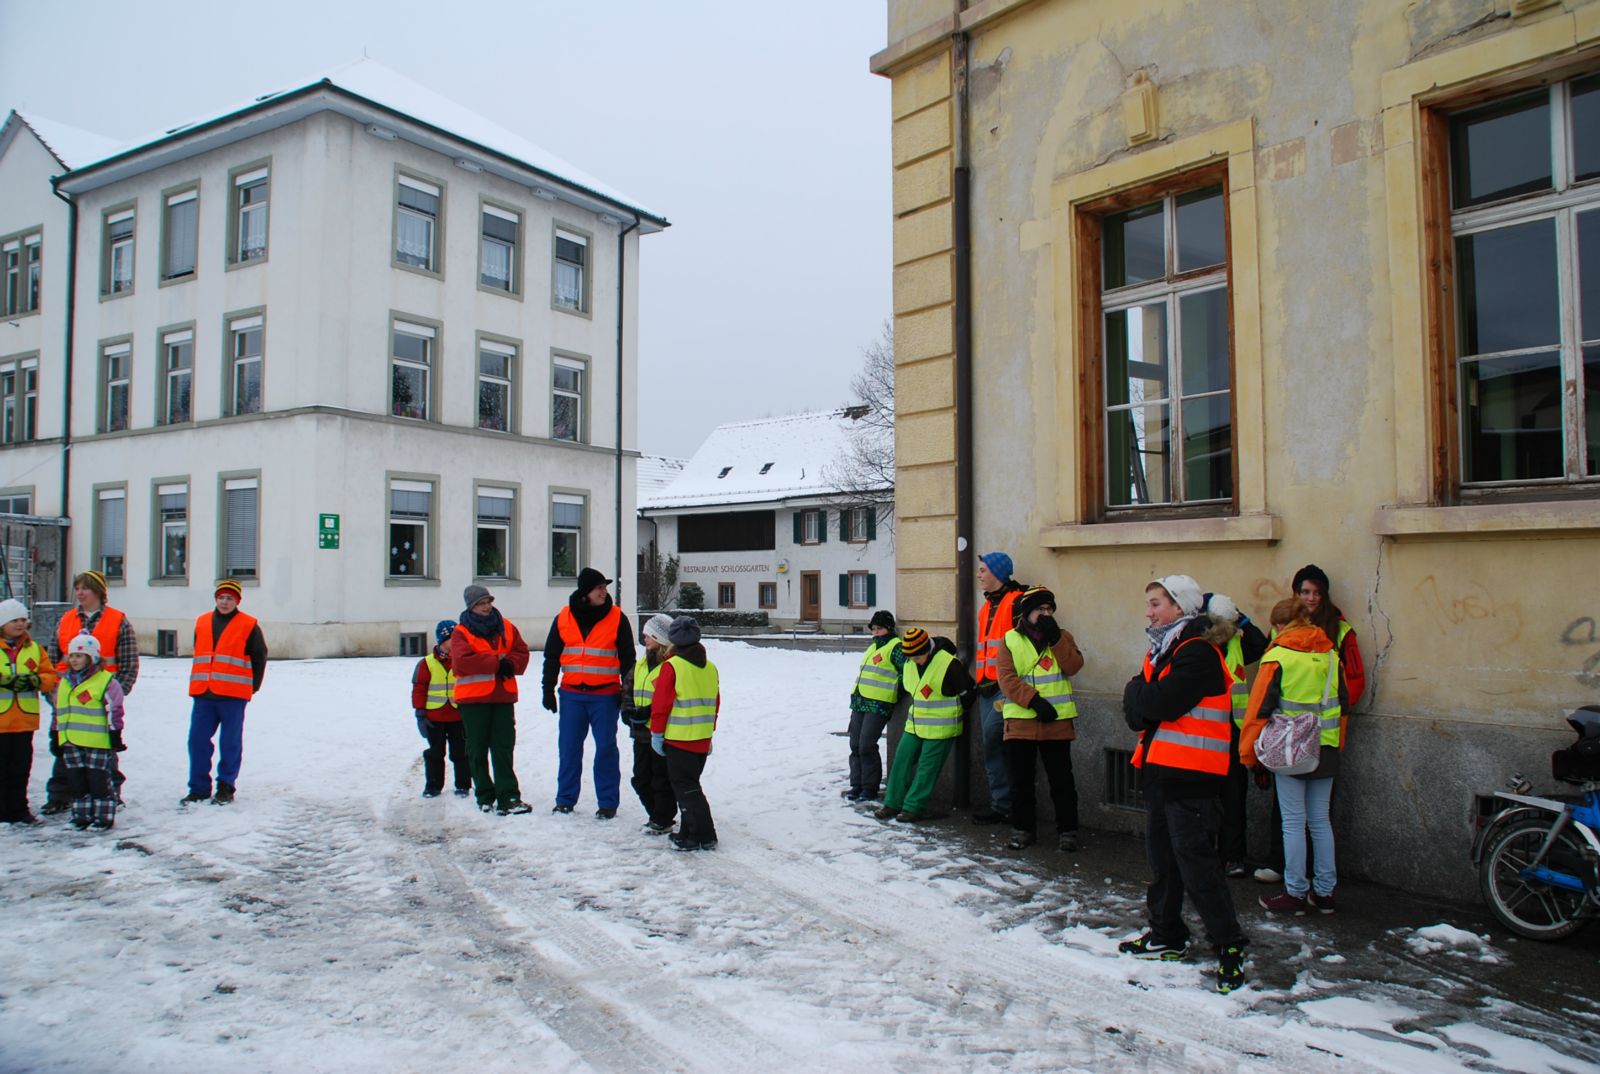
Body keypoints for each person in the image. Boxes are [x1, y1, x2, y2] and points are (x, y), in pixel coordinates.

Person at [1119, 574, 1249, 994]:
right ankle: (1166, 934)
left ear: (1180, 607)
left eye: (1156, 603)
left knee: (1197, 867)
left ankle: (1229, 945)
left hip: (1191, 776)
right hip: (1163, 772)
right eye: (1148, 603)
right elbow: (1139, 711)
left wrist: (1137, 692)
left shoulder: (1197, 651)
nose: (1148, 612)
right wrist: (1139, 696)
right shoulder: (1166, 649)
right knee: (1163, 862)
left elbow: (1156, 702)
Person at [1254, 564, 1365, 885]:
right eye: (1305, 591)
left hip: (1315, 738)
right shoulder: (1281, 631)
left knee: (1305, 818)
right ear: (1295, 595)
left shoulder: (1340, 632)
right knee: (1303, 816)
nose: (1311, 598)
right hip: (1296, 740)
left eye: (1317, 592)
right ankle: (1314, 883)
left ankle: (1299, 886)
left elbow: (1353, 683)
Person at [1241, 597, 1346, 915]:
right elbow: (1343, 704)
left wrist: (1249, 755)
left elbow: (1258, 709)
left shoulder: (1277, 657)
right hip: (1327, 747)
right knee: (1320, 821)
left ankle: (1296, 892)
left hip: (1290, 749)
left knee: (1293, 823)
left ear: (1280, 626)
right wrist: (1336, 745)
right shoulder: (1331, 654)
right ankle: (1325, 893)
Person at [540, 567, 635, 819]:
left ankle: (608, 803)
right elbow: (551, 656)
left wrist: (628, 695)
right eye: (599, 588)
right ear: (585, 592)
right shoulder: (563, 617)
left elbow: (628, 660)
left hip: (605, 696)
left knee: (605, 749)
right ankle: (565, 800)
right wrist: (547, 689)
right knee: (569, 749)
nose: (604, 592)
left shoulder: (617, 618)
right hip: (572, 695)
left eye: (605, 587)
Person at [995, 587, 1085, 851]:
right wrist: (1033, 701)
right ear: (1027, 612)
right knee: (1021, 782)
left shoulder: (1063, 636)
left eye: (1049, 610)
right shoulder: (1010, 639)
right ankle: (1023, 830)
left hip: (1057, 722)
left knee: (1062, 781)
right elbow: (1006, 678)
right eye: (1040, 610)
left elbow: (1074, 666)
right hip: (1020, 722)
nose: (1045, 614)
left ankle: (1067, 832)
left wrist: (1055, 639)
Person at [42, 570, 138, 814]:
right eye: (77, 588)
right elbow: (52, 659)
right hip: (67, 697)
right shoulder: (66, 620)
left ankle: (110, 793)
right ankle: (60, 794)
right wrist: (54, 692)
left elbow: (129, 663)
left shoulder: (117, 620)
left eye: (84, 588)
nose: (80, 593)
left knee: (104, 749)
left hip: (100, 699)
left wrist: (116, 693)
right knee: (65, 746)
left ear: (98, 591)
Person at [873, 627, 972, 823]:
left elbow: (967, 693)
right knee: (901, 762)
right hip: (914, 724)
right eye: (911, 658)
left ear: (928, 649)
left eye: (918, 657)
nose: (915, 661)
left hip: (941, 727)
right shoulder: (910, 662)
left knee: (927, 769)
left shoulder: (949, 663)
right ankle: (892, 804)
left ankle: (913, 808)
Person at [182, 580, 268, 805]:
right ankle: (198, 788)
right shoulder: (202, 622)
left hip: (233, 695)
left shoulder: (248, 625)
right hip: (204, 693)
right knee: (197, 741)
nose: (225, 602)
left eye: (230, 598)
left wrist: (253, 686)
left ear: (237, 601)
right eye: (221, 597)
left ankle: (226, 786)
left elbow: (259, 656)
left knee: (230, 743)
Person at [1203, 592, 1269, 878]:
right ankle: (1206, 853)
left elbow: (1261, 646)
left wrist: (1241, 619)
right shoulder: (1198, 644)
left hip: (1233, 730)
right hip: (1205, 728)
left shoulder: (1237, 642)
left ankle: (1232, 856)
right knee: (1205, 797)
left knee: (1233, 796)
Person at [451, 585, 532, 815]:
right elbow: (462, 662)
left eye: (488, 602)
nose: (486, 607)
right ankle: (484, 795)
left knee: (503, 747)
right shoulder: (461, 632)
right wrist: (498, 664)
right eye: (481, 603)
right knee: (477, 749)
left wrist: (511, 664)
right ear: (471, 606)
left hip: (502, 696)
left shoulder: (506, 626)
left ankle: (509, 796)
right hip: (473, 699)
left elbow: (521, 651)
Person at [649, 615, 720, 851]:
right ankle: (688, 832)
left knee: (687, 789)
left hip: (679, 739)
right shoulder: (710, 667)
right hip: (702, 738)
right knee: (690, 787)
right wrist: (710, 732)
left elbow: (661, 705)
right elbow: (715, 702)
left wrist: (657, 734)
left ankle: (702, 835)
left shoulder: (672, 666)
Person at [47, 635, 125, 830]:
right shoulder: (65, 682)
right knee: (77, 780)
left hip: (97, 740)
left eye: (79, 656)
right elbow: (59, 710)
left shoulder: (105, 681)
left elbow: (114, 708)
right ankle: (81, 815)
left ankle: (103, 816)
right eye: (71, 656)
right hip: (71, 740)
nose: (74, 660)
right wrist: (55, 734)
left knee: (98, 780)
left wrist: (115, 733)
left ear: (92, 658)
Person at [972, 552, 1025, 824]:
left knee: (997, 741)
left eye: (983, 570)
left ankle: (1011, 805)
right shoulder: (986, 608)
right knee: (991, 745)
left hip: (1007, 686)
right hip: (986, 687)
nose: (979, 575)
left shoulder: (1016, 602)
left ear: (998, 572)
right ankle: (1002, 805)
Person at [0, 599, 56, 824]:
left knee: (21, 768)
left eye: (23, 619)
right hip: (2, 722)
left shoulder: (34, 649)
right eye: (14, 620)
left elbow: (50, 676)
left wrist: (35, 681)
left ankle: (19, 808)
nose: (20, 624)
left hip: (25, 721)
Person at [624, 614, 677, 834]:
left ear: (660, 638)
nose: (644, 638)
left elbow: (671, 697)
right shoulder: (641, 663)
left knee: (661, 779)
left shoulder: (670, 665)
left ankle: (662, 818)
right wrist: (628, 711)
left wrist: (650, 712)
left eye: (649, 635)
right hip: (640, 732)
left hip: (661, 733)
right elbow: (628, 688)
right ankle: (657, 815)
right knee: (640, 778)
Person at [844, 609, 904, 801]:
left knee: (866, 746)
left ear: (889, 628)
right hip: (860, 701)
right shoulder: (873, 647)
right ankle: (857, 785)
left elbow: (905, 673)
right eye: (874, 629)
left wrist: (895, 693)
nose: (876, 632)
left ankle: (870, 788)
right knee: (855, 744)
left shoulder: (896, 647)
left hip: (878, 704)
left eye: (880, 628)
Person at [412, 619, 471, 799]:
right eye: (452, 639)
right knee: (435, 753)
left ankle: (463, 785)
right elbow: (419, 688)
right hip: (434, 717)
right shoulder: (427, 663)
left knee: (461, 753)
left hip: (458, 716)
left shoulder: (463, 660)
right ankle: (433, 786)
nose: (455, 642)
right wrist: (420, 712)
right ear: (442, 640)